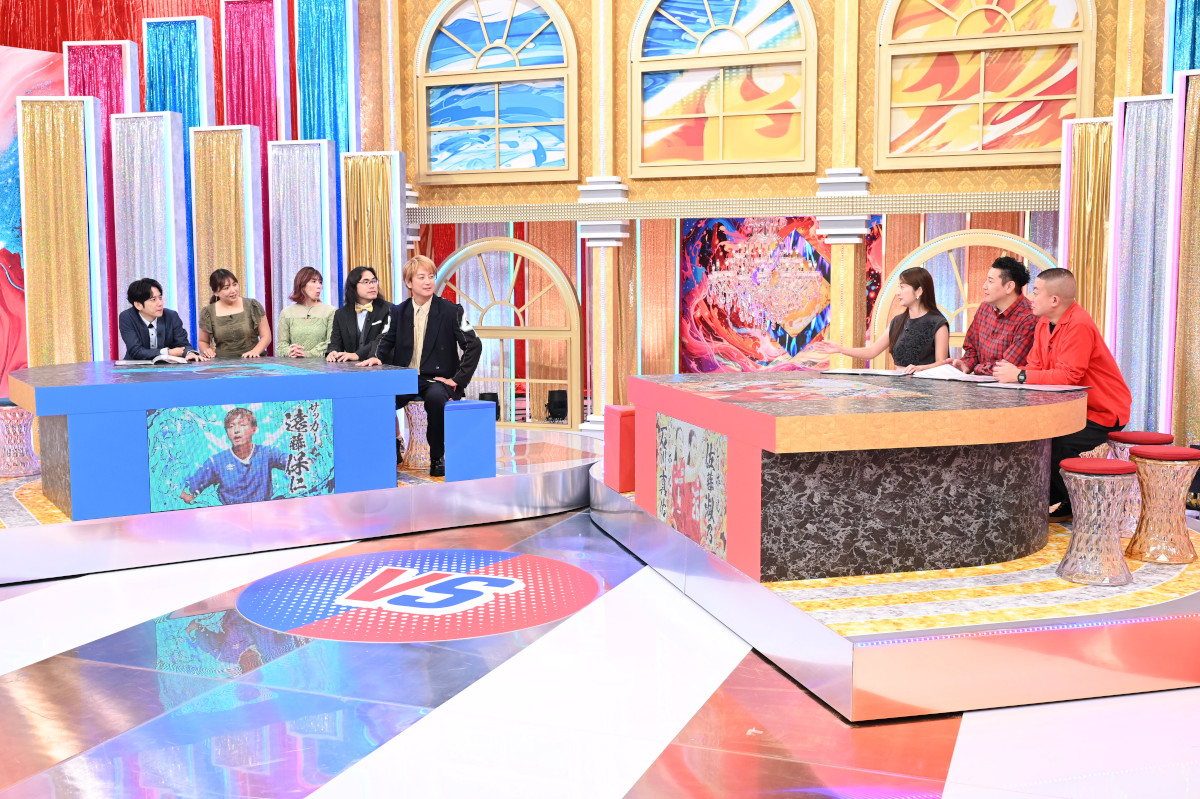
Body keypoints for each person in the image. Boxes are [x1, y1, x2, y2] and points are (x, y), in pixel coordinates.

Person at [994, 268, 1132, 521]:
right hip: (1070, 408)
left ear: (1055, 300)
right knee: (1028, 438)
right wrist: (1016, 375)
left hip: (1102, 411)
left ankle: (1081, 505)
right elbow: (1035, 366)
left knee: (1056, 446)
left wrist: (1020, 375)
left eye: (1036, 292)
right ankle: (1041, 503)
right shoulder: (1043, 322)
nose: (1031, 297)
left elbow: (1069, 376)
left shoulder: (1079, 324)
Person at [360, 255, 482, 478]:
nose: (428, 282)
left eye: (431, 276)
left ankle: (436, 457)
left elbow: (474, 344)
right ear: (409, 282)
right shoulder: (398, 311)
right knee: (379, 399)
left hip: (437, 379)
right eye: (421, 277)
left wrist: (457, 379)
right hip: (406, 377)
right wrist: (376, 356)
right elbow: (384, 338)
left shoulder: (451, 310)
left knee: (435, 399)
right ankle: (386, 452)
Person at [812, 266, 949, 371]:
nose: (897, 292)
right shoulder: (898, 321)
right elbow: (872, 351)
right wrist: (840, 349)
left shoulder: (938, 323)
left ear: (919, 291)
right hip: (898, 387)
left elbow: (942, 364)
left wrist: (920, 369)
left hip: (926, 389)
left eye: (902, 287)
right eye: (898, 287)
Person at [949, 256, 1037, 376]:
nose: (984, 286)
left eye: (990, 281)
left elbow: (1006, 367)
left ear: (1009, 287)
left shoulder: (1029, 318)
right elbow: (971, 348)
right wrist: (966, 364)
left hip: (1008, 386)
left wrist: (976, 368)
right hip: (979, 383)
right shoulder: (985, 307)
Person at [180, 408, 288, 506]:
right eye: (231, 426)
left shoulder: (267, 453)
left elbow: (294, 464)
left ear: (254, 429)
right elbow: (186, 495)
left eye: (242, 425)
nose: (236, 430)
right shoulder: (216, 462)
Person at [118, 278, 207, 361]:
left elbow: (183, 344)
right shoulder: (127, 317)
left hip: (165, 368)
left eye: (160, 298)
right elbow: (136, 351)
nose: (160, 303)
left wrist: (189, 353)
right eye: (153, 299)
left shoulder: (171, 316)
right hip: (135, 368)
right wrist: (167, 352)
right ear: (138, 305)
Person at [198, 270, 271, 359]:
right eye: (226, 288)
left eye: (235, 284)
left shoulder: (252, 305)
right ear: (216, 293)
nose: (233, 290)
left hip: (252, 361)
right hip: (222, 363)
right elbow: (203, 341)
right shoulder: (208, 312)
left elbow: (266, 336)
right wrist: (206, 350)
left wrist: (255, 351)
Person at [327, 266, 393, 362]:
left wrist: (357, 355)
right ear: (353, 286)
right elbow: (335, 342)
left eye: (374, 281)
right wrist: (333, 352)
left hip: (381, 365)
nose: (372, 286)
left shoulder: (389, 309)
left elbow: (382, 340)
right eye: (366, 282)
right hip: (351, 368)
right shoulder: (341, 314)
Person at [277, 267, 335, 358]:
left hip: (322, 364)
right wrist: (291, 351)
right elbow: (281, 346)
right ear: (302, 284)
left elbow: (331, 343)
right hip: (294, 364)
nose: (319, 286)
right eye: (313, 281)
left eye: (320, 282)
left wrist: (307, 354)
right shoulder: (287, 313)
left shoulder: (330, 311)